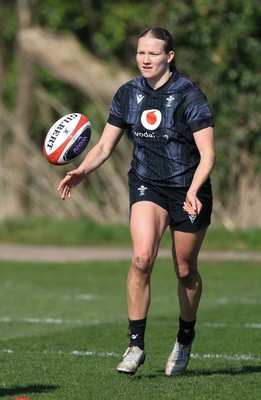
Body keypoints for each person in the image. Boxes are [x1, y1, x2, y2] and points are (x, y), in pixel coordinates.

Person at [58, 27, 215, 376]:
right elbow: (103, 146)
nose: (145, 59)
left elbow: (208, 155)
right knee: (142, 258)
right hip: (147, 184)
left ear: (169, 57)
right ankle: (135, 345)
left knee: (185, 270)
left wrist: (193, 189)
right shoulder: (127, 94)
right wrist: (82, 172)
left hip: (189, 189)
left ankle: (185, 338)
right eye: (141, 53)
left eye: (153, 53)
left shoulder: (189, 95)